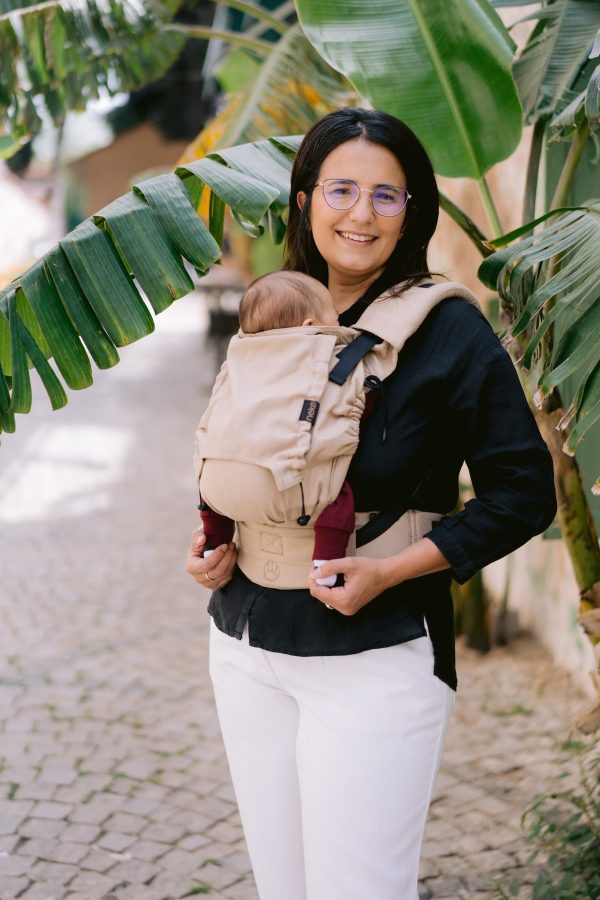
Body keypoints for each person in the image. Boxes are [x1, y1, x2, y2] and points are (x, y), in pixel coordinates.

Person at [186, 108, 556, 900]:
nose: (362, 212)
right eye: (342, 189)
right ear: (304, 200)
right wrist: (214, 540)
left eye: (387, 196)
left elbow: (525, 493)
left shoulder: (448, 331)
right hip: (246, 645)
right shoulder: (273, 309)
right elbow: (243, 452)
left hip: (375, 656)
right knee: (283, 888)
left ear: (412, 212)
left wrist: (391, 573)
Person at [196, 269, 357, 587]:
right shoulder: (323, 358)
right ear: (310, 327)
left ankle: (214, 543)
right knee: (336, 490)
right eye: (335, 317)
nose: (339, 323)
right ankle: (326, 564)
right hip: (286, 486)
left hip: (216, 487)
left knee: (215, 459)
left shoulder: (239, 361)